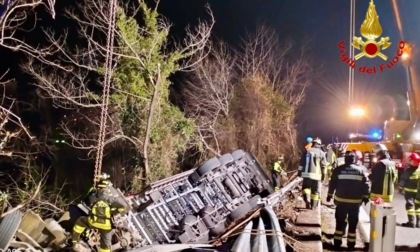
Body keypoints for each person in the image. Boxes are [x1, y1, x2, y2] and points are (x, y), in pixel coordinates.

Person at [72, 173, 128, 252]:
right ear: (107, 187)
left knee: (80, 221)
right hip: (106, 226)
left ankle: (74, 242)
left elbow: (86, 201)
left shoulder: (94, 195)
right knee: (106, 245)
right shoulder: (110, 198)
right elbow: (124, 205)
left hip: (93, 222)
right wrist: (114, 212)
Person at [327, 151, 370, 250]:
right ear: (354, 159)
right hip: (355, 202)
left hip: (341, 201)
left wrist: (329, 195)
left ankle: (337, 243)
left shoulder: (338, 170)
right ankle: (351, 245)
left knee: (340, 222)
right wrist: (366, 197)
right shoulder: (361, 170)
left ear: (345, 159)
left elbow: (332, 183)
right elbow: (366, 185)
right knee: (353, 223)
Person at [298, 137, 327, 209]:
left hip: (306, 175)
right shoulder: (321, 153)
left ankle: (307, 200)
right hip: (317, 176)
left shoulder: (306, 151)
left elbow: (301, 164)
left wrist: (299, 172)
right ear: (319, 145)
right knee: (315, 192)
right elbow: (324, 166)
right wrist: (324, 176)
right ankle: (313, 206)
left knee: (306, 188)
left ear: (313, 144)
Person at [399, 153, 420, 228]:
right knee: (418, 207)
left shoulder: (409, 170)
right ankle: (418, 223)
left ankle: (411, 222)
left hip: (409, 192)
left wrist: (400, 188)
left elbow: (403, 180)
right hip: (417, 192)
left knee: (409, 206)